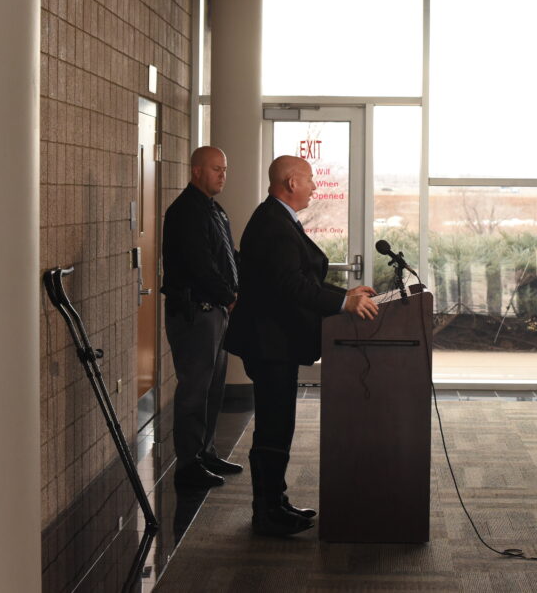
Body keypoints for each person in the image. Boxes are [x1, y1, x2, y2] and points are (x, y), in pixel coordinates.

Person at [226, 155, 379, 537]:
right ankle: (267, 512)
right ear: (291, 183)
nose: (315, 186)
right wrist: (343, 303)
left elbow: (299, 278)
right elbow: (290, 286)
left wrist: (345, 293)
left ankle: (274, 503)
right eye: (309, 180)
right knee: (274, 428)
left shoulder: (276, 219)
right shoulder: (274, 225)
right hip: (270, 345)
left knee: (278, 426)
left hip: (275, 344)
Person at [161, 146, 242, 490]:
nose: (222, 175)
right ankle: (188, 463)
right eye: (215, 169)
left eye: (224, 169)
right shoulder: (185, 212)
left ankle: (205, 451)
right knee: (195, 389)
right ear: (196, 171)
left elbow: (226, 256)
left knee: (213, 387)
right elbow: (200, 266)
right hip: (196, 313)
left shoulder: (214, 210)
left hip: (216, 312)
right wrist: (230, 296)